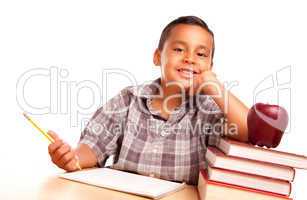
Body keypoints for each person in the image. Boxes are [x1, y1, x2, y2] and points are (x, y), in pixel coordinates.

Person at [48, 16, 249, 185]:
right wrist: (73, 158)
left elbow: (248, 130)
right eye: (179, 49)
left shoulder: (209, 110)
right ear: (157, 57)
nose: (190, 58)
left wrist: (216, 88)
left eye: (201, 54)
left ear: (210, 66)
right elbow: (93, 145)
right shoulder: (128, 100)